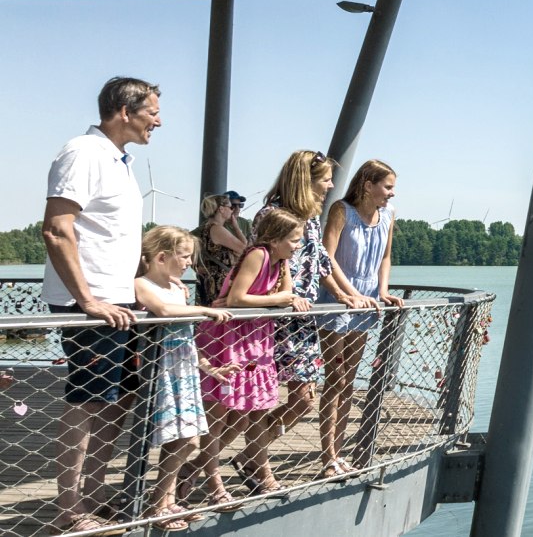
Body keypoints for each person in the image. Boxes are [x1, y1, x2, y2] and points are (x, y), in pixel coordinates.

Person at [40, 76, 161, 534]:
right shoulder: (84, 153)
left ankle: (93, 495)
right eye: (152, 111)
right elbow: (56, 227)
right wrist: (86, 298)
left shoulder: (119, 161)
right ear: (124, 111)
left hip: (119, 303)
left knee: (117, 399)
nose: (159, 120)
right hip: (91, 305)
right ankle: (70, 511)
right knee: (89, 399)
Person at [250, 151, 374, 454]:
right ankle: (248, 460)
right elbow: (260, 263)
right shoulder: (272, 216)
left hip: (303, 319)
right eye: (326, 179)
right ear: (306, 181)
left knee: (304, 400)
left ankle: (251, 452)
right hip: (272, 318)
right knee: (257, 400)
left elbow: (320, 266)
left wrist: (345, 295)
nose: (331, 186)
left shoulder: (311, 219)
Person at [192, 209, 306, 500]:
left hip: (256, 341)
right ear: (276, 238)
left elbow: (288, 293)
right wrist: (278, 299)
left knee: (246, 416)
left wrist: (286, 295)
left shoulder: (281, 262)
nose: (297, 246)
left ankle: (192, 470)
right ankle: (213, 482)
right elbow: (236, 298)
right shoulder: (259, 254)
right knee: (218, 415)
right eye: (293, 240)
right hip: (229, 339)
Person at [132, 226, 234, 531]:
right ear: (162, 257)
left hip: (185, 369)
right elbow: (163, 310)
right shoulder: (142, 284)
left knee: (184, 438)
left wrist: (208, 367)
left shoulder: (179, 288)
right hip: (161, 371)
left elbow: (187, 336)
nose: (189, 262)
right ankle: (158, 503)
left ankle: (165, 500)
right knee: (184, 438)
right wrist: (204, 309)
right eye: (185, 256)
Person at [318, 160, 404, 477]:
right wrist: (351, 293)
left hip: (367, 303)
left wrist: (382, 291)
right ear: (368, 185)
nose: (392, 193)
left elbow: (385, 257)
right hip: (338, 300)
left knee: (350, 381)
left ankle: (339, 453)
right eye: (388, 186)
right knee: (334, 378)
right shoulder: (342, 210)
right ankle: (328, 456)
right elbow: (326, 256)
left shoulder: (388, 216)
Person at [191, 194, 244, 306]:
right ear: (221, 209)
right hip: (222, 281)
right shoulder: (217, 229)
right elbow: (245, 248)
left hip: (212, 280)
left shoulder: (206, 227)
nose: (232, 210)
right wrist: (236, 227)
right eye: (230, 207)